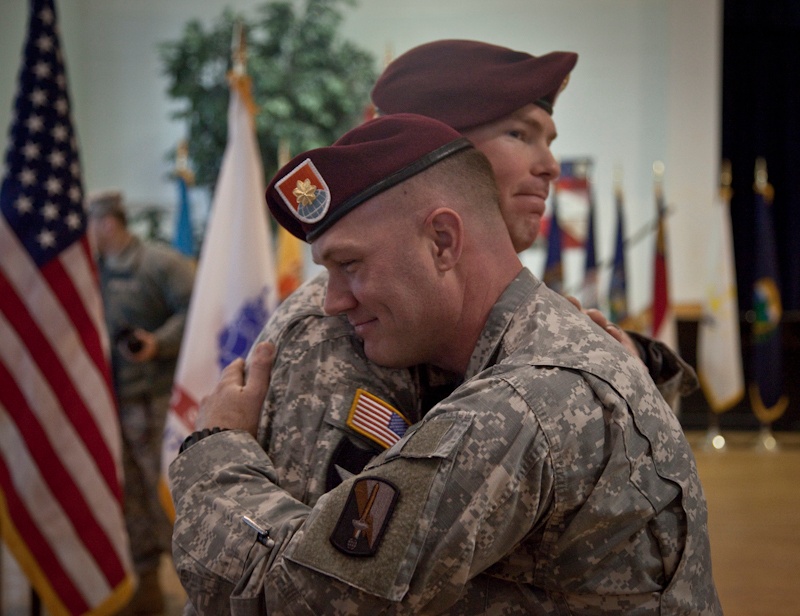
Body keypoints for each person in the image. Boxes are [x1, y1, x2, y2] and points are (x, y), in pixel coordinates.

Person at [170, 114, 721, 614]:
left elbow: (294, 598)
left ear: (442, 240)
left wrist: (217, 445)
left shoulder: (526, 402)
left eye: (350, 265)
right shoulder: (542, 348)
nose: (333, 301)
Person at [249, 39, 695, 512]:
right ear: (438, 147)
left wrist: (624, 366)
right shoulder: (341, 331)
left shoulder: (483, 302)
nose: (547, 166)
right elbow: (311, 567)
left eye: (549, 141)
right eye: (520, 135)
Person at [87, 190, 195, 615]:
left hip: (155, 402)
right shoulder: (91, 272)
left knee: (165, 494)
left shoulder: (159, 263)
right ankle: (147, 584)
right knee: (129, 497)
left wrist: (159, 343)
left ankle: (195, 584)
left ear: (107, 224)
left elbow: (198, 309)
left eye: (89, 225)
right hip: (111, 402)